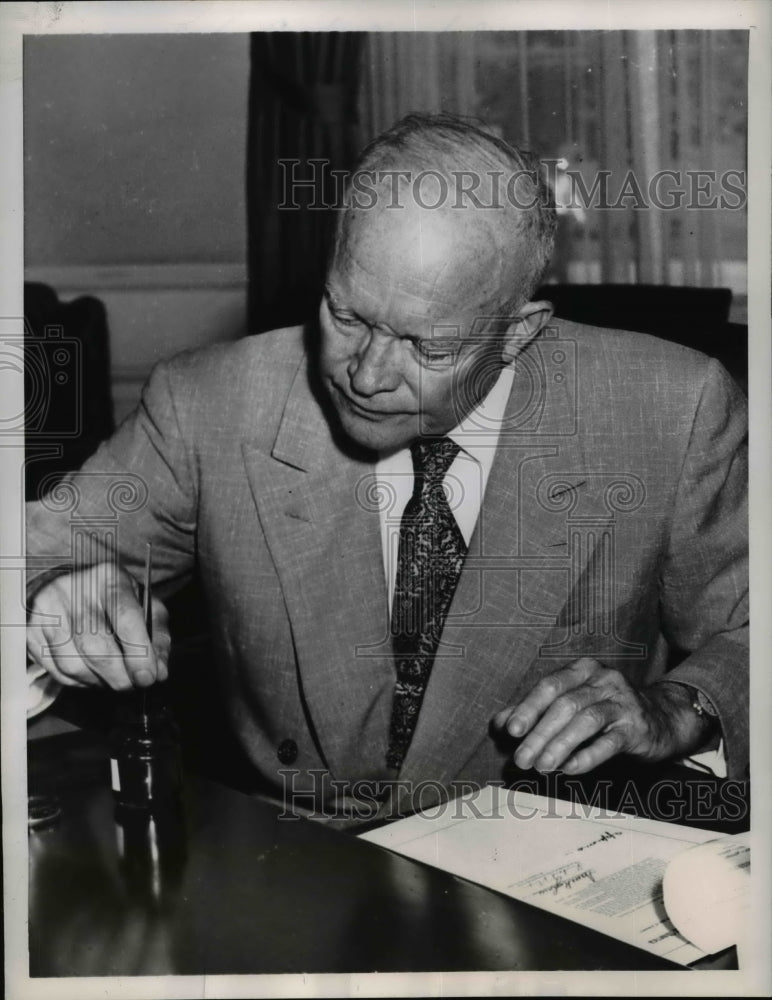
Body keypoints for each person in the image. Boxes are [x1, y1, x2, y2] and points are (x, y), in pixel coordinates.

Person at [25, 114, 748, 823]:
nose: (366, 376)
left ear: (517, 332)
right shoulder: (211, 400)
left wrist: (677, 708)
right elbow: (31, 550)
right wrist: (53, 591)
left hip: (551, 855)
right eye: (347, 316)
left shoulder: (670, 407)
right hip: (299, 867)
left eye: (425, 348)